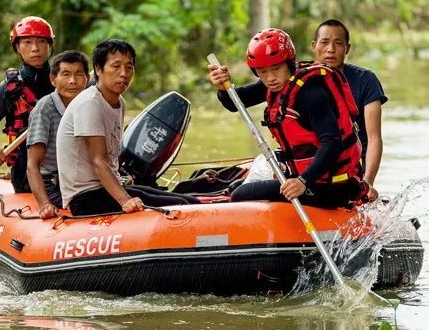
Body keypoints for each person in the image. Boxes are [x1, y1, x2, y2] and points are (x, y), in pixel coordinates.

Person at [210, 18, 387, 200]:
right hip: (309, 177)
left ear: (289, 63)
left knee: (242, 194)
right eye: (263, 72)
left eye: (276, 68)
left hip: (332, 185)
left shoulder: (312, 93)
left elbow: (333, 143)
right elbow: (234, 103)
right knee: (238, 185)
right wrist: (223, 88)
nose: (270, 77)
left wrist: (303, 181)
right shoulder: (276, 83)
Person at [56, 39, 200, 216]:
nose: (123, 73)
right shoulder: (89, 103)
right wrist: (125, 201)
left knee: (190, 202)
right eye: (116, 66)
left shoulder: (119, 102)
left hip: (107, 188)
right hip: (86, 197)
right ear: (99, 69)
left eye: (129, 67)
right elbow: (98, 161)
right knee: (181, 205)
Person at [0, 16, 55, 194]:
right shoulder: (7, 89)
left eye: (41, 41)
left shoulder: (67, 80)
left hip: (65, 166)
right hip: (25, 171)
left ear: (50, 45)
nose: (35, 48)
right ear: (17, 47)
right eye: (27, 42)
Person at [26, 50, 90, 219]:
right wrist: (45, 205)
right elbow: (32, 165)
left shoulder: (90, 105)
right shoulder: (44, 109)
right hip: (54, 182)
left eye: (78, 74)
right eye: (66, 74)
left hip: (83, 178)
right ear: (53, 79)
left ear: (87, 79)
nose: (73, 81)